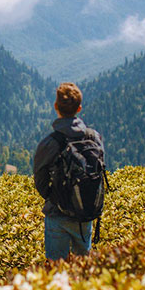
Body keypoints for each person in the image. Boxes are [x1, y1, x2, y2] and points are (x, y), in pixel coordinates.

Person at [33, 82, 105, 261]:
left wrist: (55, 197)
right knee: (83, 268)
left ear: (55, 106)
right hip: (85, 212)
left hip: (58, 214)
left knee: (57, 271)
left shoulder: (50, 142)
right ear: (79, 108)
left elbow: (40, 179)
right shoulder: (93, 137)